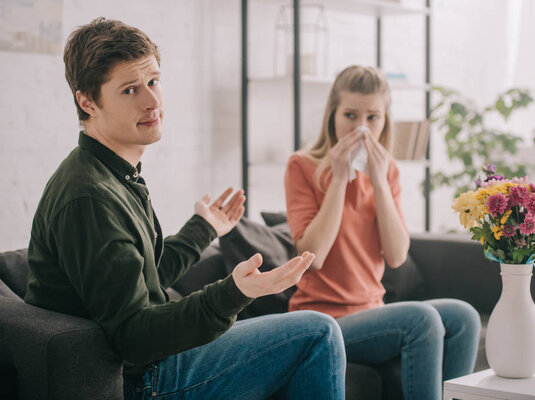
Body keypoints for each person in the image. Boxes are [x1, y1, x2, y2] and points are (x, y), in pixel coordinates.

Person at [25, 17, 346, 400]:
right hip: (140, 379)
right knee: (318, 332)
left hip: (148, 365)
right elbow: (134, 337)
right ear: (87, 101)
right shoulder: (89, 198)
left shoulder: (112, 175)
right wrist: (233, 292)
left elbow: (146, 279)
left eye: (154, 82)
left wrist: (202, 228)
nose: (152, 101)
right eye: (130, 90)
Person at [284, 65, 481, 400]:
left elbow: (397, 254)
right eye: (350, 115)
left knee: (463, 317)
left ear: (385, 120)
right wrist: (339, 181)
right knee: (421, 319)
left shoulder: (386, 170)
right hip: (322, 321)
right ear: (333, 115)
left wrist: (378, 180)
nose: (360, 128)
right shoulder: (302, 166)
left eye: (372, 118)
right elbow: (313, 256)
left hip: (372, 313)